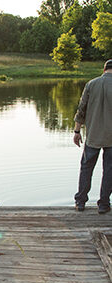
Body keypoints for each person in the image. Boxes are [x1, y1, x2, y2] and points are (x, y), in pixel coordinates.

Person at [73, 59, 112, 214]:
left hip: (93, 136)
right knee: (109, 170)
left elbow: (81, 109)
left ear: (104, 70)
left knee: (86, 168)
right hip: (111, 137)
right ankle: (103, 204)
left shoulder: (91, 84)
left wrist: (77, 131)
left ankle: (80, 202)